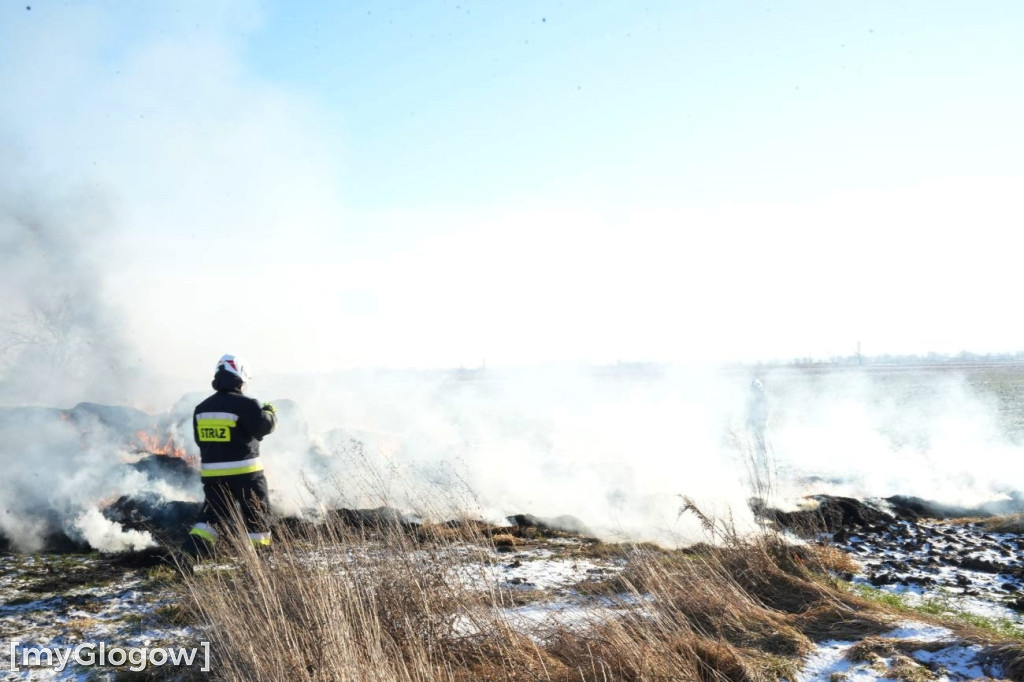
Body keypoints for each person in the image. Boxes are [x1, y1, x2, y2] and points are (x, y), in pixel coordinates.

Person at [182, 354, 277, 559]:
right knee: (256, 516)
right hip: (247, 475)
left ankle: (189, 557)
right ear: (241, 377)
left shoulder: (202, 408)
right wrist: (269, 412)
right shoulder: (247, 404)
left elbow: (201, 441)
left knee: (212, 518)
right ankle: (262, 563)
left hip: (214, 476)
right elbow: (263, 427)